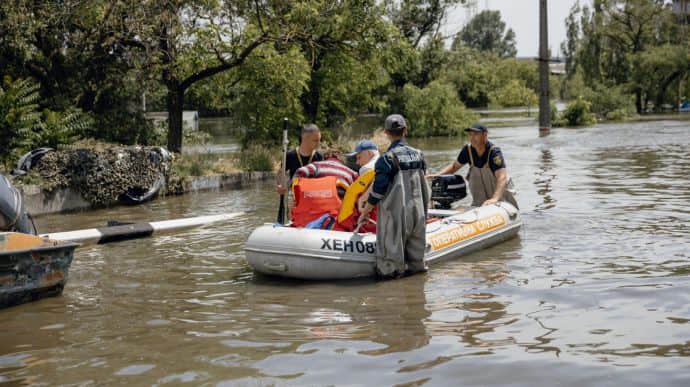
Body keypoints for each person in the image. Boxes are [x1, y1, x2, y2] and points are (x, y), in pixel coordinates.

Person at [358, 114, 430, 279]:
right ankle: (417, 296)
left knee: (390, 266)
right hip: (418, 212)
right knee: (418, 265)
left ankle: (392, 298)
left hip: (396, 215)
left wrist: (366, 211)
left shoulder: (386, 159)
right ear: (405, 130)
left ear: (386, 132)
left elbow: (378, 191)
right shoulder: (419, 154)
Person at [432, 123, 518, 208]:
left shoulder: (494, 152)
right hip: (480, 203)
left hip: (502, 201)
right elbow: (454, 167)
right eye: (470, 134)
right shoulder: (467, 150)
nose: (472, 138)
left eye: (476, 134)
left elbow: (502, 177)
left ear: (485, 135)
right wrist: (437, 175)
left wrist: (494, 199)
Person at [276, 124, 323, 196]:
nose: (318, 143)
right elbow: (280, 173)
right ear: (304, 138)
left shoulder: (319, 157)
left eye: (319, 140)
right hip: (294, 196)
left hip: (313, 197)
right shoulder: (289, 155)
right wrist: (280, 185)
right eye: (315, 140)